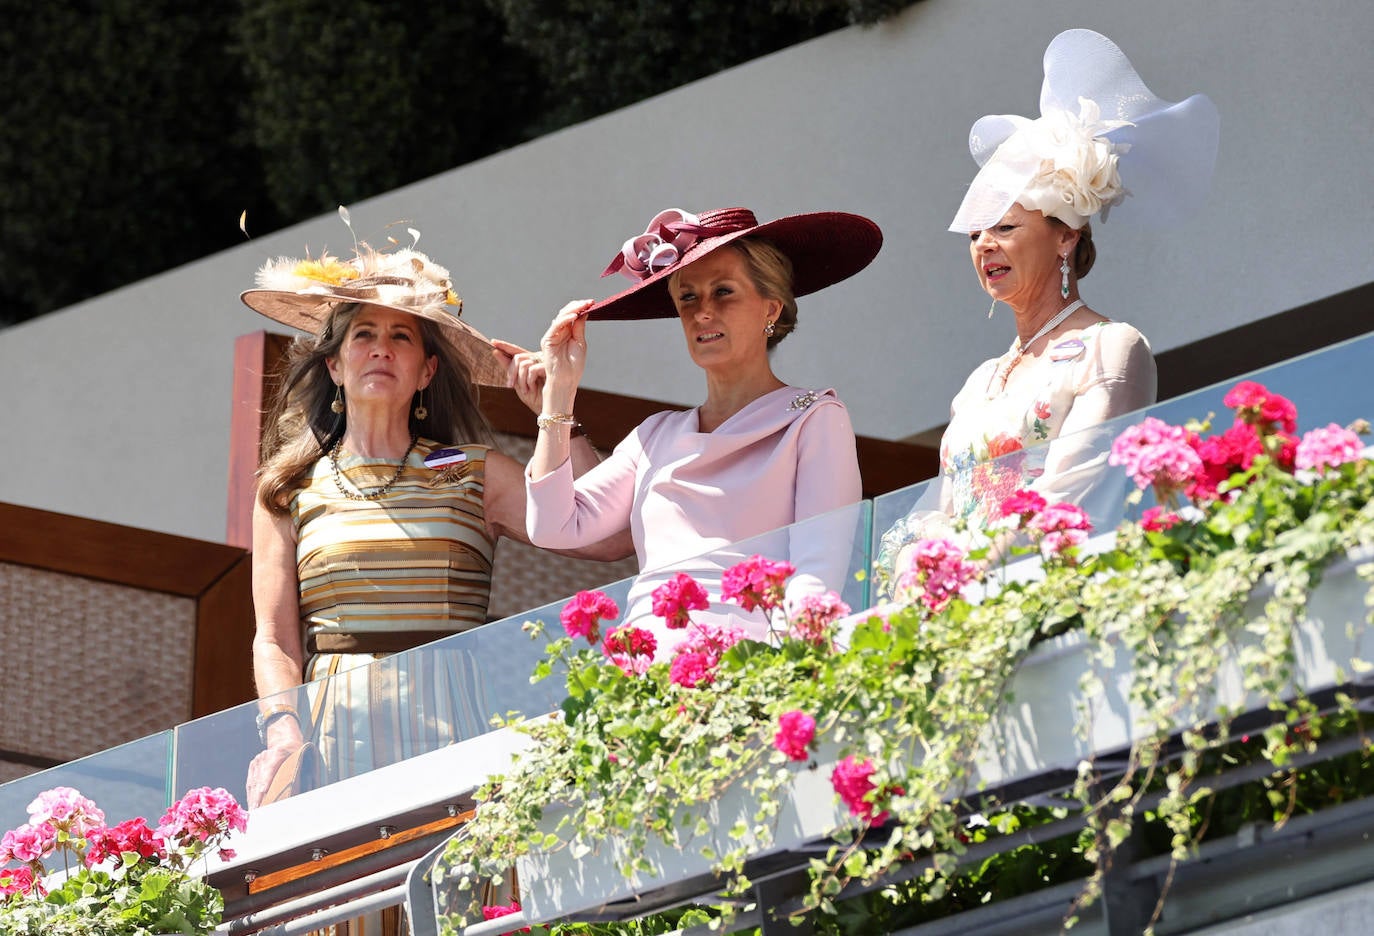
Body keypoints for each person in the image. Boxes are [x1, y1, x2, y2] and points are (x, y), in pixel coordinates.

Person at [241, 241, 629, 813]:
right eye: (364, 335)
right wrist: (282, 732)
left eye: (402, 336)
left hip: (451, 723)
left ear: (427, 371)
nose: (381, 349)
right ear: (334, 364)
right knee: (351, 897)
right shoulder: (287, 486)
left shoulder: (474, 473)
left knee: (452, 894)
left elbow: (607, 537)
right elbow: (274, 638)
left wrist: (558, 407)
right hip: (331, 735)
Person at [878, 28, 1219, 576]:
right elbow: (931, 511)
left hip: (1044, 599)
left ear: (1066, 236)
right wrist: (917, 562)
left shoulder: (1110, 348)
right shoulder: (978, 382)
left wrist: (956, 568)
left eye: (1006, 227)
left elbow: (1066, 499)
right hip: (958, 608)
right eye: (974, 235)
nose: (985, 244)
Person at [508, 206, 882, 653]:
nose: (703, 311)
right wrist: (560, 393)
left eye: (723, 291)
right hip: (644, 676)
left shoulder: (812, 417)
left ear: (771, 308)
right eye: (688, 298)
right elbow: (553, 526)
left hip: (749, 671)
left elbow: (815, 577)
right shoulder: (655, 435)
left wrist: (786, 680)